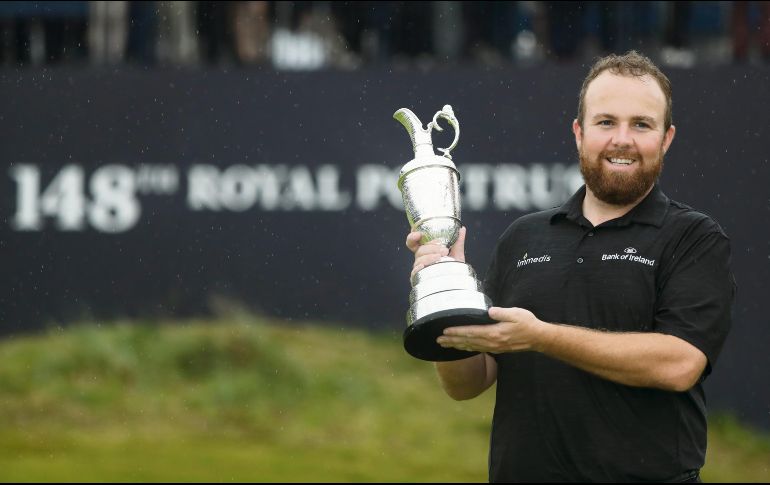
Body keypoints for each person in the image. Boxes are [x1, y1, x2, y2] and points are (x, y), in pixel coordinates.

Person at [406, 50, 735, 482]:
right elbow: (467, 384)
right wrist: (443, 301)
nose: (622, 139)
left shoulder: (694, 237)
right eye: (605, 122)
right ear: (579, 133)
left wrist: (541, 337)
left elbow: (678, 365)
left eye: (641, 124)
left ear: (666, 138)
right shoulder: (524, 237)